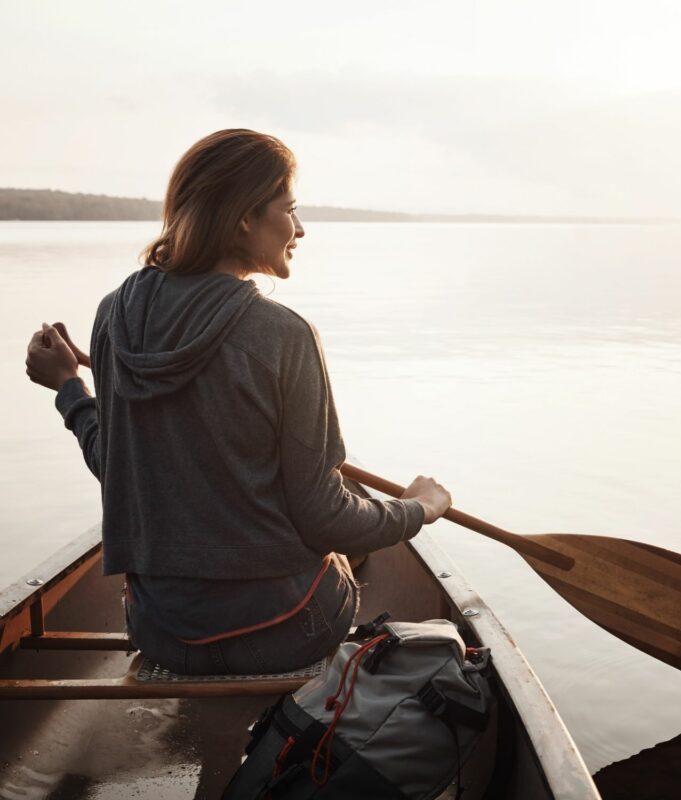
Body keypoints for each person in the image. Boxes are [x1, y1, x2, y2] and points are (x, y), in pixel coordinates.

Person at [24, 129, 452, 675]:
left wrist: (68, 389)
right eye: (290, 210)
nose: (300, 229)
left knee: (339, 509)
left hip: (161, 632)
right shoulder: (284, 334)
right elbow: (325, 521)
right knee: (348, 525)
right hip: (283, 630)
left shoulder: (115, 317)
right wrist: (420, 508)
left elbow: (116, 468)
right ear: (244, 218)